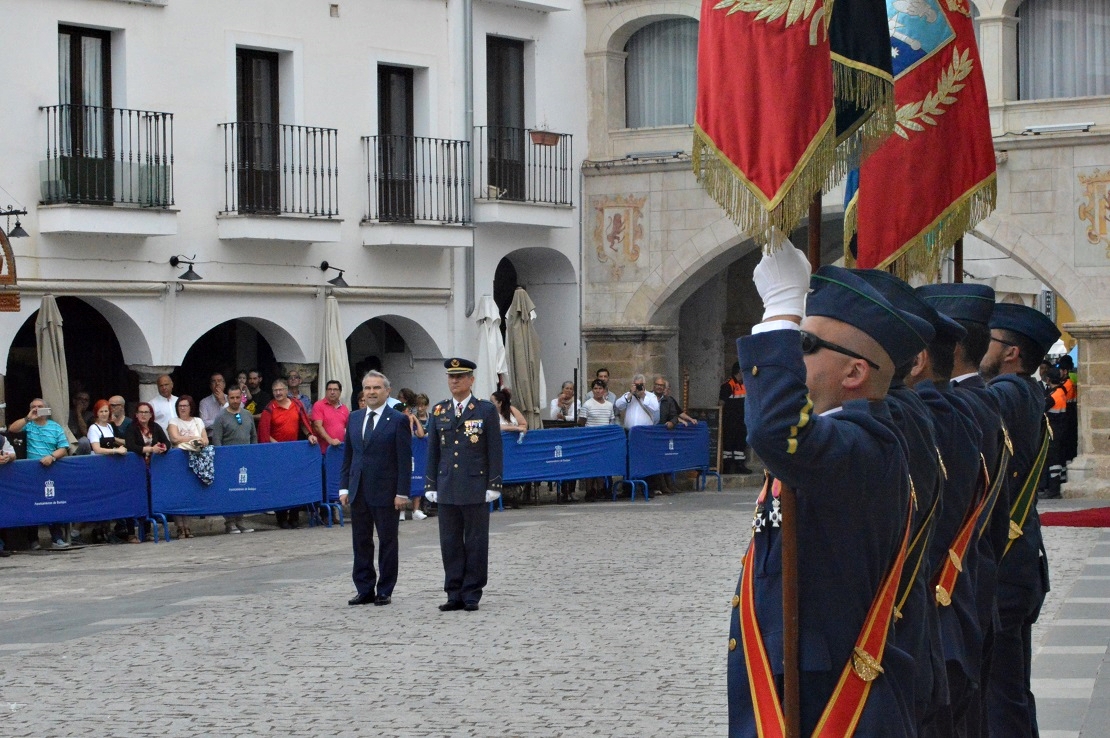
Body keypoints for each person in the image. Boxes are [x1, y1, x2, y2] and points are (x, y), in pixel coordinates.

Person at [728, 246, 927, 737]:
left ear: (855, 373)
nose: (791, 358)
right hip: (791, 683)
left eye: (804, 346)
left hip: (830, 699)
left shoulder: (868, 446)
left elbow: (775, 430)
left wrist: (780, 308)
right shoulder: (833, 441)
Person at [978, 302, 1060, 738]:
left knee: (1000, 695)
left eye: (986, 340)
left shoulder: (1008, 394)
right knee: (1007, 691)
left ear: (1010, 353)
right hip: (1018, 566)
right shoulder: (1023, 393)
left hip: (1006, 570)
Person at [425, 358, 504, 612]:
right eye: (451, 377)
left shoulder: (484, 410)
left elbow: (494, 448)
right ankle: (453, 592)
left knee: (476, 541)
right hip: (447, 484)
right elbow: (433, 451)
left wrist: (494, 483)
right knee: (449, 542)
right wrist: (430, 484)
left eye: (460, 377)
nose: (454, 381)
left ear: (471, 380)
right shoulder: (439, 411)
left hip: (474, 484)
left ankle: (472, 592)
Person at [338, 370, 412, 606]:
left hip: (386, 492)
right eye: (368, 388)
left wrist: (402, 492)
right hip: (358, 490)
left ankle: (385, 589)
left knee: (388, 542)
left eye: (376, 388)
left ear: (387, 391)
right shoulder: (355, 417)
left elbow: (404, 460)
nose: (371, 392)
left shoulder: (398, 419)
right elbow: (349, 456)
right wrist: (343, 488)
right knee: (361, 541)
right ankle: (364, 588)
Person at [7, 399, 73, 549]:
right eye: (33, 407)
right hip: (32, 470)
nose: (37, 409)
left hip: (51, 468)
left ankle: (57, 538)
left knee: (53, 503)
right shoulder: (28, 426)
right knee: (33, 504)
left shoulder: (55, 427)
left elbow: (63, 447)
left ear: (47, 409)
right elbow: (12, 429)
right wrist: (27, 418)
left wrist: (52, 456)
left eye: (40, 407)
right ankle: (33, 540)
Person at [259, 379, 319, 528]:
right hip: (277, 452)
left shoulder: (297, 405)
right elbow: (264, 433)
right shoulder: (269, 408)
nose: (278, 393)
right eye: (275, 391)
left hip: (294, 452)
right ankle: (281, 518)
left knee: (295, 484)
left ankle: (294, 517)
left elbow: (304, 424)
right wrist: (277, 445)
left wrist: (309, 435)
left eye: (281, 390)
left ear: (287, 390)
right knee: (280, 486)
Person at [209, 387, 257, 534]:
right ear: (228, 398)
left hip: (245, 460)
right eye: (232, 398)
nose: (235, 401)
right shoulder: (221, 417)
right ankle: (229, 522)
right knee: (230, 491)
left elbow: (253, 435)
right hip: (228, 461)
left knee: (243, 491)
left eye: (237, 397)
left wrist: (253, 453)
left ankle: (240, 520)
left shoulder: (247, 414)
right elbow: (216, 440)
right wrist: (222, 459)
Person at [167, 395, 210, 539]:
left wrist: (196, 440)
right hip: (179, 461)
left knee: (189, 493)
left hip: (196, 460)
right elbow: (175, 439)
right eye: (180, 406)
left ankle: (188, 526)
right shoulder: (173, 421)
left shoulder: (198, 421)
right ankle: (179, 526)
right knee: (178, 493)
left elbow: (205, 439)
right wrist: (194, 439)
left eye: (185, 405)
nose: (183, 408)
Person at [650, 375, 697, 496]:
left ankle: (668, 484)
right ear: (653, 386)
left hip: (664, 434)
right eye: (658, 385)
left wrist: (672, 422)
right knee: (655, 460)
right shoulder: (648, 398)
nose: (660, 387)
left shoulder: (668, 400)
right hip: (651, 434)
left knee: (665, 459)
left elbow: (675, 415)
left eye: (662, 386)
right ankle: (660, 486)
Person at [718, 362, 752, 474]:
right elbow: (721, 403)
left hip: (742, 420)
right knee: (728, 443)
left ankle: (739, 465)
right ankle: (726, 466)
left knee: (740, 443)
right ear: (739, 371)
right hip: (730, 420)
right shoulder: (728, 385)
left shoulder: (744, 385)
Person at [312, 380, 350, 455]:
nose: (332, 392)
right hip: (324, 451)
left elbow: (348, 428)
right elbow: (317, 426)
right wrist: (330, 440)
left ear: (340, 392)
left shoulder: (344, 408)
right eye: (329, 389)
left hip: (341, 449)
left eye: (335, 389)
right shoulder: (319, 405)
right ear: (326, 391)